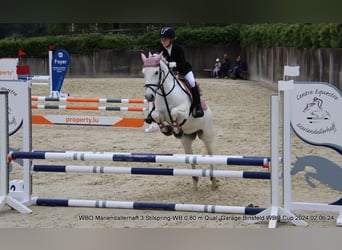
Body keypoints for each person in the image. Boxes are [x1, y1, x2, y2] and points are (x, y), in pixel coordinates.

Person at [146, 26, 204, 124]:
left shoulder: (178, 48)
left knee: (192, 82)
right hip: (170, 73)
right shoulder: (160, 50)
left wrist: (175, 69)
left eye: (165, 39)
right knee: (159, 86)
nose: (163, 41)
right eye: (162, 39)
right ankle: (153, 110)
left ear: (171, 39)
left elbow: (182, 62)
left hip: (183, 70)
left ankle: (197, 106)